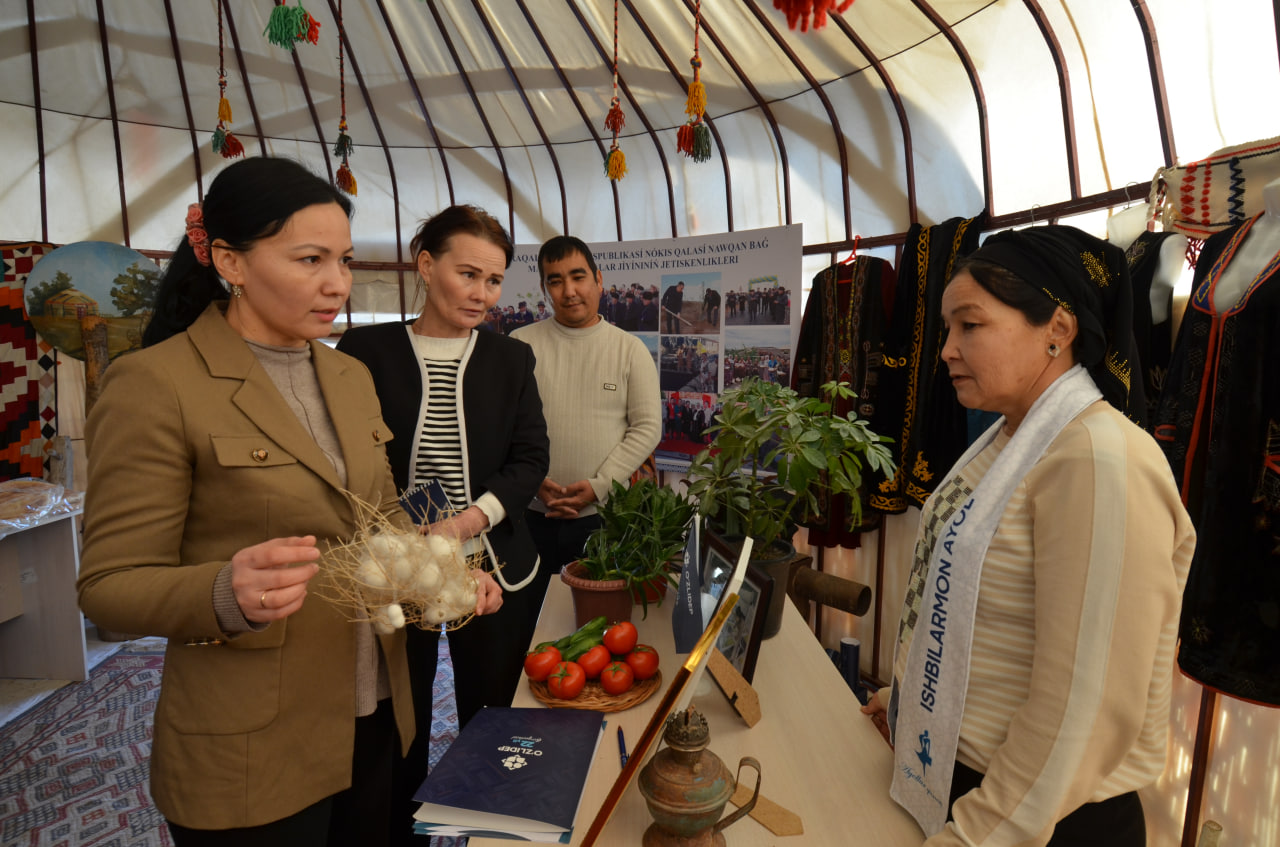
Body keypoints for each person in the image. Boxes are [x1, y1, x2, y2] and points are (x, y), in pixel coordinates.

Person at [76, 157, 503, 846]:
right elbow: (108, 585)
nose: (337, 282)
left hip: (375, 714)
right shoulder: (155, 384)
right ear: (229, 261)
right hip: (254, 743)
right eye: (309, 259)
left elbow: (381, 519)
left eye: (343, 259)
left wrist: (442, 575)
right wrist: (224, 590)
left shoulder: (347, 374)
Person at [861, 225, 1195, 846]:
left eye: (971, 325)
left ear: (1058, 330)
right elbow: (984, 618)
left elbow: (1082, 715)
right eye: (946, 330)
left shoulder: (1097, 461)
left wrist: (974, 837)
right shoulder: (1007, 439)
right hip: (973, 787)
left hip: (1041, 819)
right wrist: (909, 697)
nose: (946, 351)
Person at [336, 205, 549, 844]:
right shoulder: (364, 351)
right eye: (468, 274)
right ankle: (399, 830)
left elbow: (530, 456)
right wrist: (412, 539)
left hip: (497, 562)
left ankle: (496, 830)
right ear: (426, 266)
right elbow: (351, 457)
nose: (482, 293)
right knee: (402, 713)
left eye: (494, 279)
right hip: (398, 564)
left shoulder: (512, 359)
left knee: (496, 710)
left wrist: (469, 521)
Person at [511, 236, 661, 638]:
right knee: (527, 630)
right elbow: (502, 425)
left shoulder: (629, 350)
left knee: (595, 634)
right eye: (555, 280)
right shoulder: (520, 346)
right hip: (528, 518)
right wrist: (530, 482)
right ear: (545, 288)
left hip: (603, 521)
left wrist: (597, 487)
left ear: (598, 279)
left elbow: (647, 426)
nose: (569, 290)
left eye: (578, 276)